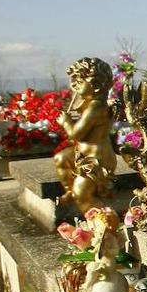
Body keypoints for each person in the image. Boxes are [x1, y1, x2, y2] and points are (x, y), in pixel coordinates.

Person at [54, 58, 117, 214]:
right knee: (61, 158)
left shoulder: (96, 108)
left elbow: (75, 134)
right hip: (83, 155)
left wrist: (66, 122)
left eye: (79, 82)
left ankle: (103, 224)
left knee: (82, 194)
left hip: (97, 161)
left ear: (95, 86)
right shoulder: (91, 104)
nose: (74, 85)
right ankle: (69, 191)